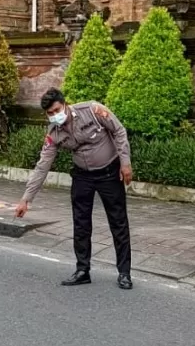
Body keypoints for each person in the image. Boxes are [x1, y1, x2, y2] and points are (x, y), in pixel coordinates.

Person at [15, 88, 134, 290]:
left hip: (109, 173)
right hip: (82, 176)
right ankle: (82, 270)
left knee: (118, 222)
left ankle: (124, 273)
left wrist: (125, 162)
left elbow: (119, 131)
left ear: (65, 104)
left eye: (56, 110)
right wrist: (26, 199)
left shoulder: (93, 110)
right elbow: (43, 165)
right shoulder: (54, 133)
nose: (55, 115)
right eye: (50, 113)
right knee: (80, 224)